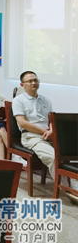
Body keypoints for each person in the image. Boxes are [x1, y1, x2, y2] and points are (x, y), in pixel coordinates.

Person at [13, 71, 78, 203]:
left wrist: (52, 131)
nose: (33, 83)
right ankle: (69, 189)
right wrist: (44, 131)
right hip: (31, 136)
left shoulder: (45, 100)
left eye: (35, 80)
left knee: (70, 152)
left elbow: (51, 119)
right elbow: (22, 123)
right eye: (30, 81)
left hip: (48, 134)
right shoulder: (18, 100)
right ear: (22, 84)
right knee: (53, 157)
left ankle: (74, 185)